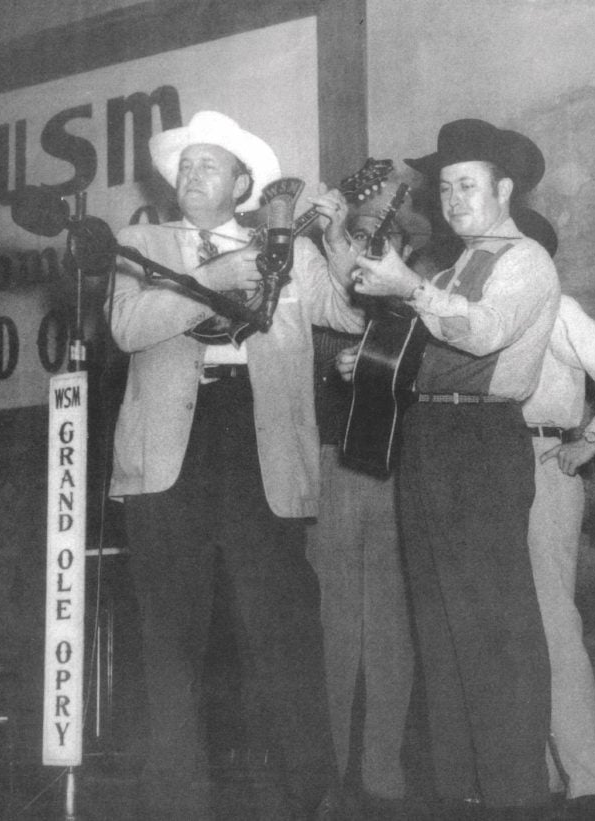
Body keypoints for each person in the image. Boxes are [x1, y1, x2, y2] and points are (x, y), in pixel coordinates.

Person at [106, 110, 362, 820]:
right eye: (185, 166)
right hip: (170, 456)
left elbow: (349, 313)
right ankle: (174, 805)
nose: (191, 175)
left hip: (260, 444)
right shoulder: (141, 241)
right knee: (170, 638)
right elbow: (127, 326)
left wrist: (340, 242)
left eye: (208, 165)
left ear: (243, 183)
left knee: (283, 628)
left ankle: (309, 797)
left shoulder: (286, 246)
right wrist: (212, 273)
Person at [337, 119, 560, 816]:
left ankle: (516, 795)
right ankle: (464, 791)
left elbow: (485, 330)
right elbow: (434, 348)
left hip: (480, 440)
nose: (454, 197)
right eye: (445, 186)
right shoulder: (452, 264)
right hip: (430, 435)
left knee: (493, 623)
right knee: (438, 621)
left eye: (468, 184)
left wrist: (409, 287)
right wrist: (375, 365)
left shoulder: (525, 260)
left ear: (505, 189)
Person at [514, 206, 595, 817]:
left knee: (551, 619)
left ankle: (590, 779)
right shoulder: (489, 314)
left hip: (545, 464)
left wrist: (590, 439)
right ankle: (540, 773)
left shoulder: (559, 310)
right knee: (518, 624)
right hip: (491, 467)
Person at [305, 186, 426, 818]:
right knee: (332, 625)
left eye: (389, 242)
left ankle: (383, 771)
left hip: (396, 469)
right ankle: (329, 769)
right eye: (362, 238)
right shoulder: (322, 295)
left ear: (405, 251)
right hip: (330, 464)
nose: (374, 251)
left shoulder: (413, 303)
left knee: (390, 629)